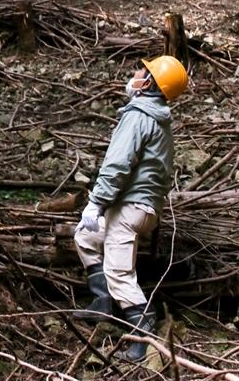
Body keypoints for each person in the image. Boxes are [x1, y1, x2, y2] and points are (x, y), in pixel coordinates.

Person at [73, 55, 189, 363]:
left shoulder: (139, 115)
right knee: (86, 238)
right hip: (143, 208)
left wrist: (96, 203)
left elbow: (117, 165)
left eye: (142, 70)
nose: (136, 73)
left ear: (150, 82)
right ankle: (103, 302)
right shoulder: (158, 116)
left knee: (119, 272)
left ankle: (144, 339)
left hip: (130, 209)